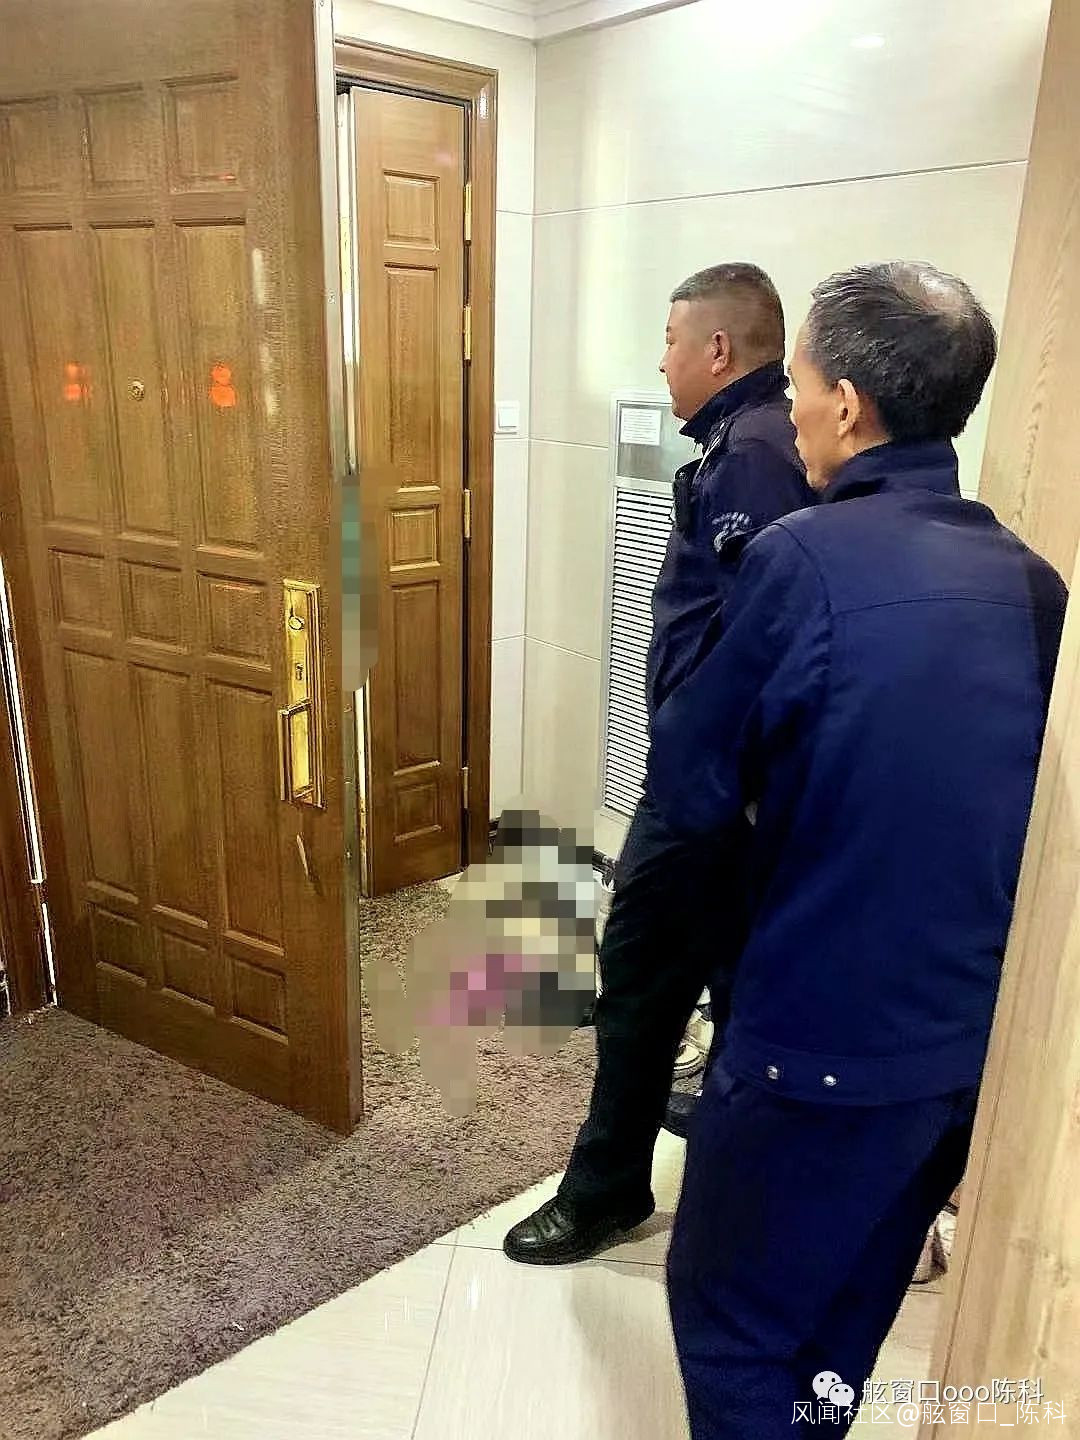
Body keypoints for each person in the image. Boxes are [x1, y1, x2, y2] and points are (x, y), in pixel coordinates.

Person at [650, 262, 1067, 1438]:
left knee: (731, 1323)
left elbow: (689, 783)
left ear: (845, 403)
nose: (789, 409)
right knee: (840, 1330)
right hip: (959, 1058)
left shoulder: (803, 559)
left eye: (799, 384)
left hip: (812, 1047)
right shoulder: (1036, 587)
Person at [504, 263, 814, 1266]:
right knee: (712, 981)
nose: (662, 358)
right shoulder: (750, 439)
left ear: (717, 349)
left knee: (638, 983)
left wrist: (706, 784)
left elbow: (763, 647)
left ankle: (606, 1193)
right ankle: (729, 1187)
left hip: (707, 798)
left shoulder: (754, 455)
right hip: (716, 790)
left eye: (672, 340)